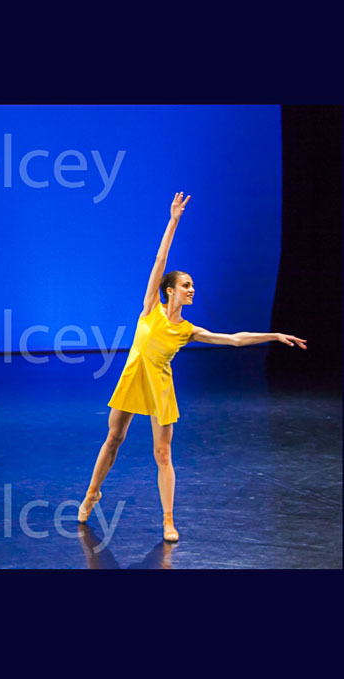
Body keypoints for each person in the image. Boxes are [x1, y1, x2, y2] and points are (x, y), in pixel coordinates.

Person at [77, 193, 306, 542]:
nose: (192, 290)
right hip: (133, 378)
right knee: (114, 439)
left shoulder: (188, 330)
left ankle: (168, 520)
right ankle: (92, 493)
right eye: (186, 285)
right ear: (170, 290)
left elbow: (234, 339)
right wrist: (173, 221)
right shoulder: (151, 308)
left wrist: (273, 334)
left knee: (163, 453)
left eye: (193, 286)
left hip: (160, 387)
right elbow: (160, 259)